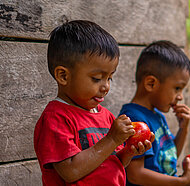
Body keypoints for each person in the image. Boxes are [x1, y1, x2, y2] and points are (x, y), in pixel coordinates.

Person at [34, 20, 153, 185]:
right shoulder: (56, 118)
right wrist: (111, 140)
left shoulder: (106, 117)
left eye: (109, 77)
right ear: (63, 76)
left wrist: (128, 152)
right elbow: (70, 171)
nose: (106, 86)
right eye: (97, 78)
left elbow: (111, 164)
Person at [119, 40, 190, 186]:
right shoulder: (134, 119)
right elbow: (135, 174)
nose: (180, 97)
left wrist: (183, 128)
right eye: (177, 88)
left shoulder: (157, 116)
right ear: (151, 84)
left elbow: (169, 158)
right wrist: (181, 182)